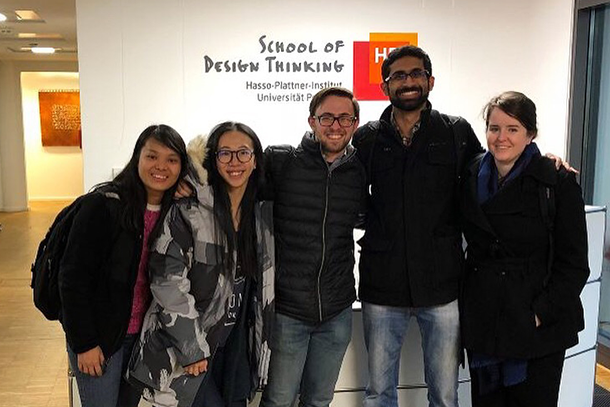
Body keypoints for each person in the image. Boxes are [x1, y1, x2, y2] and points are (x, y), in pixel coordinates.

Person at [352, 45, 484, 407]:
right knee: (379, 392)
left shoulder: (456, 133)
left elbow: (488, 179)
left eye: (415, 74)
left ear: (430, 81)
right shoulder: (366, 139)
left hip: (441, 282)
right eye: (398, 76)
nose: (407, 82)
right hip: (383, 283)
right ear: (384, 87)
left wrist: (544, 161)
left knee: (444, 392)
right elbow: (347, 193)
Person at [127, 121, 275, 407]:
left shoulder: (260, 215)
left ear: (255, 160)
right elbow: (168, 283)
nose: (235, 162)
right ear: (213, 159)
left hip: (234, 347)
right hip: (188, 351)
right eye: (225, 153)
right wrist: (192, 348)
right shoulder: (188, 211)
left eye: (243, 152)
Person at [459, 91, 589, 407]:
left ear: (530, 134)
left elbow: (574, 264)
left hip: (536, 326)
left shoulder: (555, 181)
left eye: (513, 129)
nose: (501, 137)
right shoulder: (471, 174)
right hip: (486, 321)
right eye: (494, 128)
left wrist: (540, 314)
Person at [59, 124, 189, 407]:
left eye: (172, 159)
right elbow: (72, 279)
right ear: (137, 158)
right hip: (102, 338)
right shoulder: (103, 206)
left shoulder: (174, 211)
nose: (161, 167)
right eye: (152, 156)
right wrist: (84, 343)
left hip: (143, 338)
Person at [259, 87, 366, 407]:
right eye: (327, 117)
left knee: (319, 400)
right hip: (289, 309)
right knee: (279, 399)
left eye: (344, 117)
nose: (336, 125)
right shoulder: (282, 162)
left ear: (355, 123)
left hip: (337, 308)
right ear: (312, 121)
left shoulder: (359, 171)